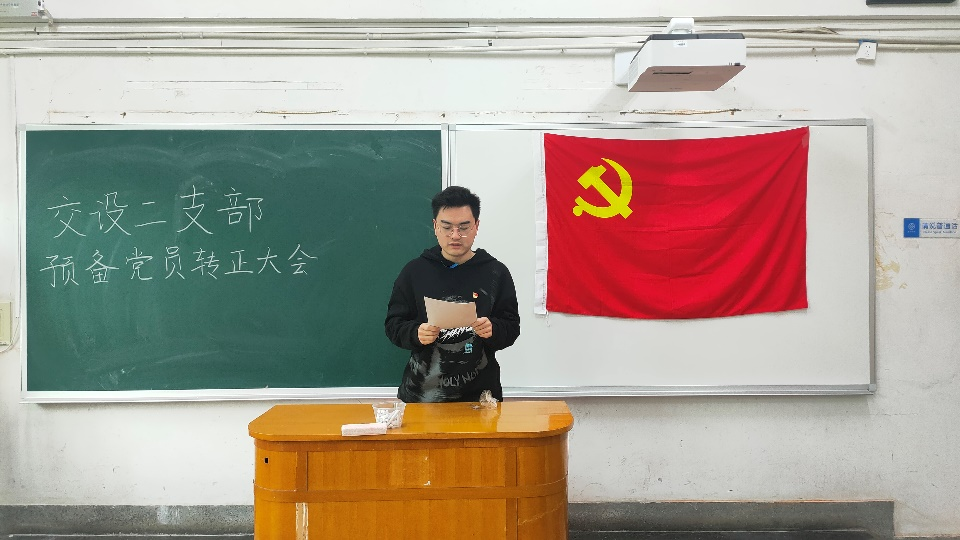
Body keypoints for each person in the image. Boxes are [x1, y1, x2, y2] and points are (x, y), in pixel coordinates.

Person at [384, 185, 520, 403]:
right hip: (421, 397)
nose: (455, 236)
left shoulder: (496, 273)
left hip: (481, 399)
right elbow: (393, 325)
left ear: (476, 226)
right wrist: (415, 333)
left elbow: (512, 327)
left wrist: (493, 329)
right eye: (447, 227)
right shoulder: (414, 272)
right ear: (435, 226)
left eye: (464, 227)